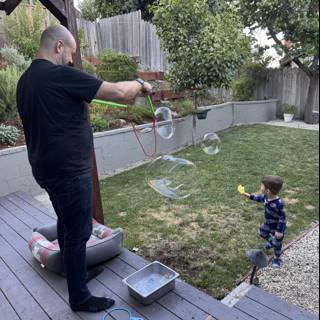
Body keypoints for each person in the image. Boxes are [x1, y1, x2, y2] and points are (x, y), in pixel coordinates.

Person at [16, 25, 153, 313]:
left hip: (45, 170)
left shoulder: (26, 81)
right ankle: (79, 297)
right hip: (70, 172)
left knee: (66, 224)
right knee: (78, 232)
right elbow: (118, 92)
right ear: (58, 47)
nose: (70, 60)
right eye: (70, 54)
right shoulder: (60, 75)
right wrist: (140, 83)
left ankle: (72, 272)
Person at [244, 176, 287, 269]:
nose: (260, 187)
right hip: (268, 224)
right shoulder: (266, 197)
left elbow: (282, 218)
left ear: (268, 190)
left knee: (278, 245)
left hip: (277, 229)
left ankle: (277, 258)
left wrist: (279, 231)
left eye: (262, 186)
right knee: (261, 232)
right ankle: (272, 242)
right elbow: (259, 198)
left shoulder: (278, 204)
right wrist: (250, 196)